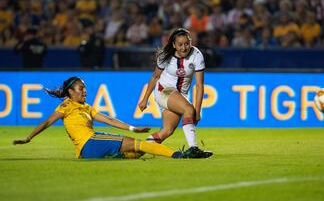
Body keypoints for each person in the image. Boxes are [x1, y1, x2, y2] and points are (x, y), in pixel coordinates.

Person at [13, 76, 183, 159]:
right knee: (139, 145)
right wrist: (29, 137)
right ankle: (177, 155)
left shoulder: (86, 108)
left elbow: (109, 120)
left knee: (137, 151)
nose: (84, 91)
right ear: (71, 92)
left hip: (93, 144)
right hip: (89, 143)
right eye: (81, 88)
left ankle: (117, 158)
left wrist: (133, 128)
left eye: (85, 88)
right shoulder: (66, 106)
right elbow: (48, 121)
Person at [138, 28, 213, 158]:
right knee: (189, 109)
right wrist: (145, 99)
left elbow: (199, 85)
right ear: (174, 45)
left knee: (167, 131)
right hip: (164, 91)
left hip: (180, 96)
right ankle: (193, 148)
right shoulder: (165, 56)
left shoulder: (196, 55)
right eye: (180, 44)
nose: (184, 47)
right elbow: (155, 77)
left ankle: (134, 151)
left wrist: (198, 110)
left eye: (186, 43)